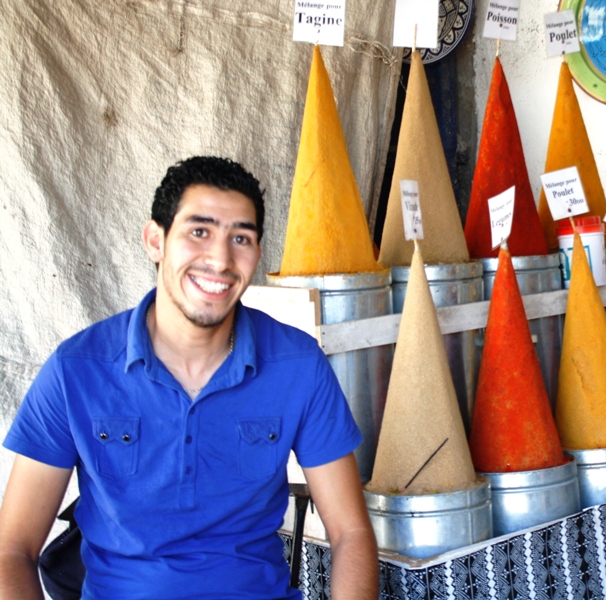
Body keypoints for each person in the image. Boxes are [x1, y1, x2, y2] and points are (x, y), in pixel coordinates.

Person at [0, 156, 379, 599]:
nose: (220, 260)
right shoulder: (77, 370)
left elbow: (351, 533)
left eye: (241, 238)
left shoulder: (297, 364)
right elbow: (14, 548)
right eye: (199, 232)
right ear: (155, 241)